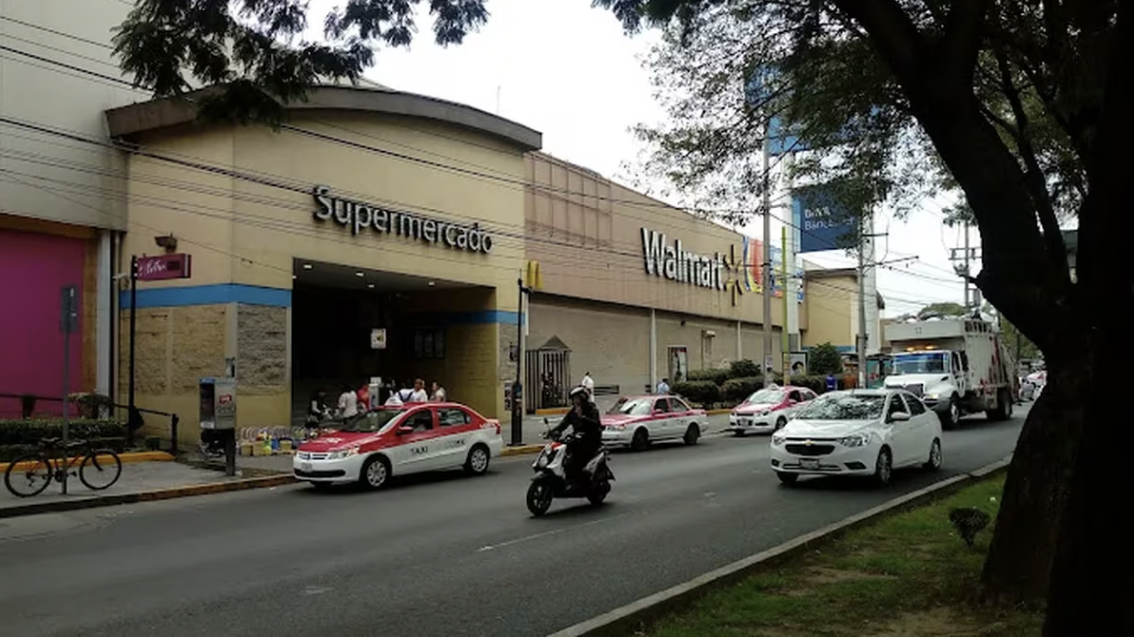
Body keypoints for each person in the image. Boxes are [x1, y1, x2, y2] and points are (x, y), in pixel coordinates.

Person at [549, 386, 603, 480]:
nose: (574, 401)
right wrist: (553, 431)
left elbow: (596, 424)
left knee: (576, 459)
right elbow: (564, 424)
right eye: (573, 399)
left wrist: (582, 417)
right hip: (577, 439)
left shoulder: (591, 409)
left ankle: (582, 479)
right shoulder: (573, 411)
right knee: (562, 453)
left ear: (582, 398)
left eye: (576, 398)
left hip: (590, 441)